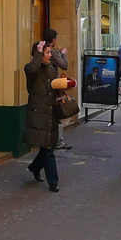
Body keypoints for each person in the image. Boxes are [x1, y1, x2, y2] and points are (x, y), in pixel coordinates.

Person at [24, 41, 75, 192]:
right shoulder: (31, 68)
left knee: (48, 147)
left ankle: (34, 167)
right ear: (39, 54)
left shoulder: (52, 69)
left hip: (51, 113)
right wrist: (38, 52)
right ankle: (53, 182)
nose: (49, 55)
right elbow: (32, 69)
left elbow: (54, 88)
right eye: (46, 53)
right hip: (38, 113)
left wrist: (63, 86)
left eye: (49, 52)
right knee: (47, 149)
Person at [41, 28, 72, 150]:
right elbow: (64, 65)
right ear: (53, 39)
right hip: (51, 87)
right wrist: (63, 54)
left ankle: (54, 140)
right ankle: (57, 141)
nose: (49, 55)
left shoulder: (48, 51)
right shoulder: (52, 52)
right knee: (58, 114)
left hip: (49, 87)